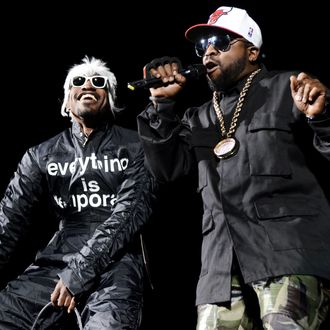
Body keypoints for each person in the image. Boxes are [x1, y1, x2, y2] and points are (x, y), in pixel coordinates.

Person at [136, 5, 330, 329]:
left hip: (288, 253)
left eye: (221, 42)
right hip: (220, 268)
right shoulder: (198, 117)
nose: (208, 51)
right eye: (202, 46)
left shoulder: (288, 88)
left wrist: (321, 118)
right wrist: (162, 105)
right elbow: (165, 170)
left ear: (252, 51)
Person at [0, 55, 158, 329]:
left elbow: (129, 215)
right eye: (79, 81)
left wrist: (78, 274)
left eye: (99, 82)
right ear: (66, 99)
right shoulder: (41, 154)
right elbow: (9, 222)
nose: (88, 86)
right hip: (56, 262)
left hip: (117, 266)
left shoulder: (136, 146)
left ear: (109, 99)